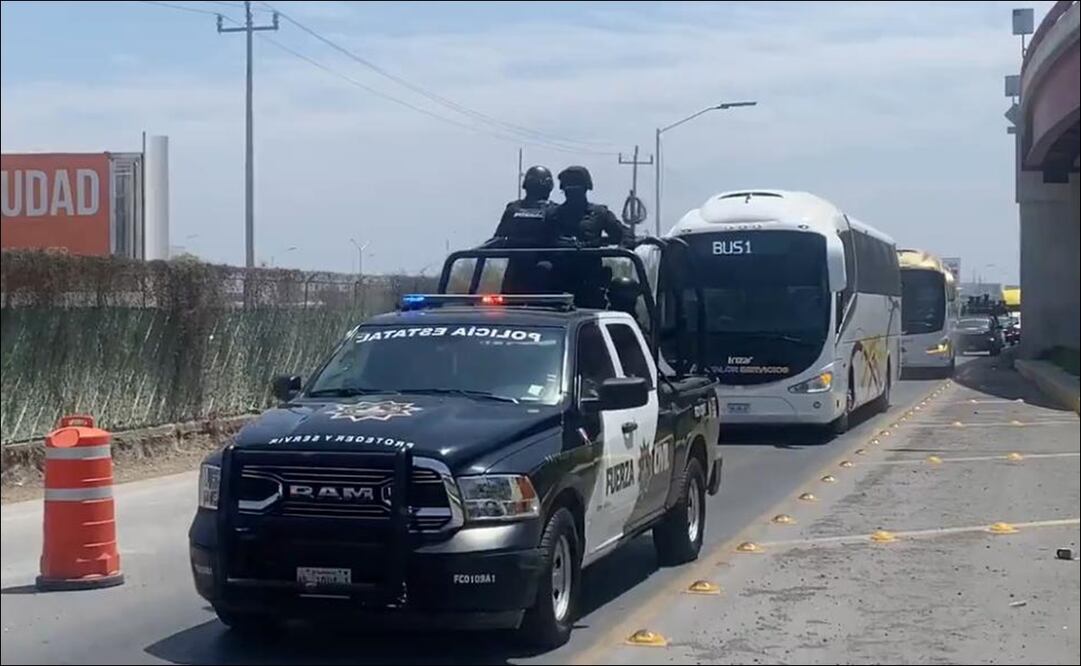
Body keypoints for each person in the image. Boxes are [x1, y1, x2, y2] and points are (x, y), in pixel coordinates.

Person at [553, 166, 629, 247]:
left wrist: (599, 242)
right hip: (560, 259)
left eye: (577, 189)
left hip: (589, 258)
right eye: (569, 189)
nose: (573, 193)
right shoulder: (553, 215)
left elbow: (625, 235)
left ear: (585, 188)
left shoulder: (599, 213)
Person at [492, 165, 558, 246]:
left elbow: (497, 239)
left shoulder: (512, 208)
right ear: (549, 185)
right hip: (547, 258)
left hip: (516, 258)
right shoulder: (556, 211)